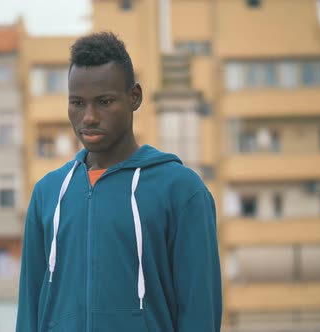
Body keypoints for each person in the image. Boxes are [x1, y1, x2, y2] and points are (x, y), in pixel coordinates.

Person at [16, 31, 222, 332]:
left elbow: (200, 311)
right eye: (77, 102)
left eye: (104, 102)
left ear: (134, 97)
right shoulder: (48, 194)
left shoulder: (181, 190)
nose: (89, 117)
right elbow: (29, 311)